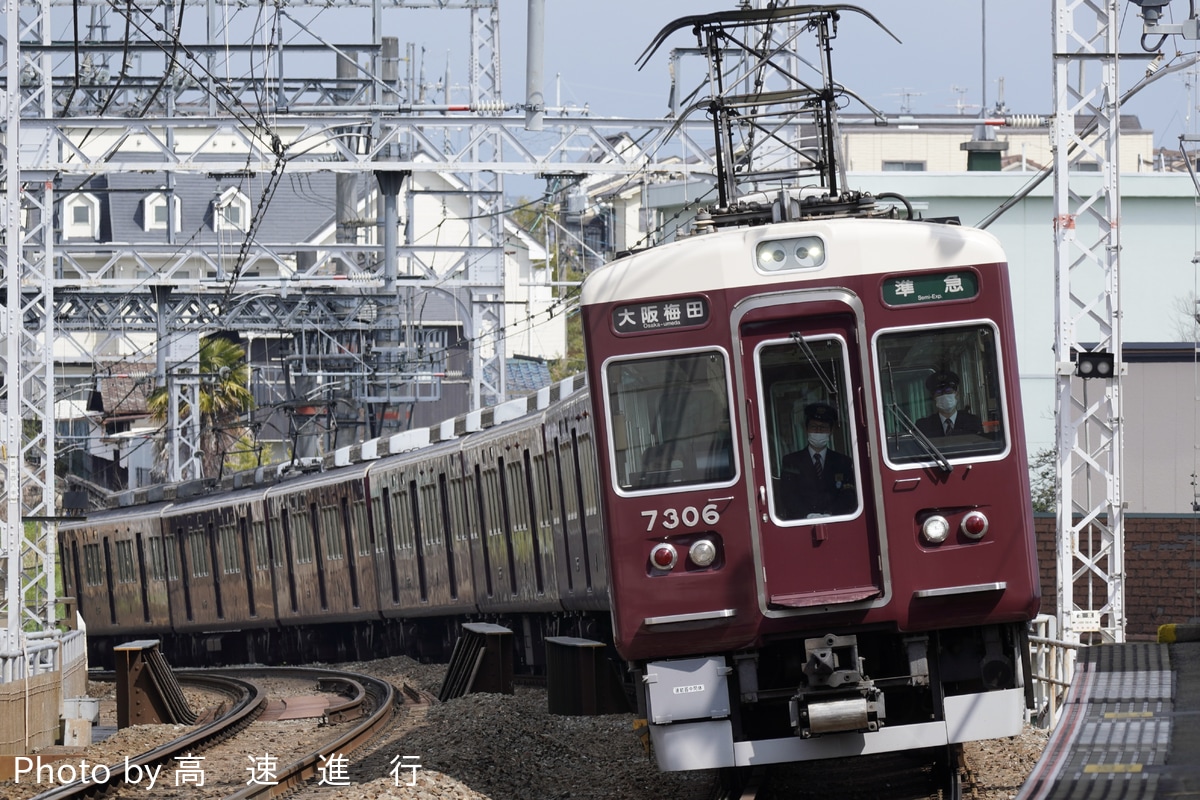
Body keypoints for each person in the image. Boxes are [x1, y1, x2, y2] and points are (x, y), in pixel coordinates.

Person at [780, 402, 856, 519]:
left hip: (836, 521)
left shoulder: (843, 462)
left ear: (830, 431)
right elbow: (788, 495)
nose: (818, 431)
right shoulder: (791, 461)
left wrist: (830, 513)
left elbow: (848, 496)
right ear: (806, 429)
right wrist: (808, 515)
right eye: (814, 427)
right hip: (801, 523)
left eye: (823, 428)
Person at [916, 370, 983, 438]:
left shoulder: (973, 422)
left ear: (957, 395)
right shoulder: (924, 426)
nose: (944, 396)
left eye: (948, 391)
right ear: (934, 398)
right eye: (939, 393)